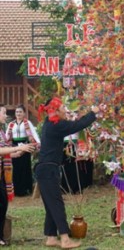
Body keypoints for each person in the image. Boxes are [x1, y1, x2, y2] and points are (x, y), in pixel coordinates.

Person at [35, 97, 99, 249]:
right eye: (63, 108)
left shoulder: (50, 122)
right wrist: (93, 113)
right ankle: (64, 238)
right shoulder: (57, 125)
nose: (66, 110)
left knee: (51, 203)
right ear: (56, 111)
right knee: (56, 203)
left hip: (45, 169)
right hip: (48, 170)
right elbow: (78, 125)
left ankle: (51, 237)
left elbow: (71, 123)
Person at [0, 104, 35, 246]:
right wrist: (18, 147)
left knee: (3, 203)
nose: (5, 115)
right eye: (3, 112)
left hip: (2, 173)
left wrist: (17, 153)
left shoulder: (2, 132)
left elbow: (4, 151)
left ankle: (1, 235)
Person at [5, 105, 40, 196]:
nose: (18, 113)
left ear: (24, 113)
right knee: (15, 168)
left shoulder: (27, 123)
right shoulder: (11, 124)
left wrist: (38, 143)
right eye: (17, 112)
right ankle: (16, 189)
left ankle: (25, 189)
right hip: (14, 147)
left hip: (25, 146)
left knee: (25, 167)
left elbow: (34, 134)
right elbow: (6, 137)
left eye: (20, 112)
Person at [61, 110, 94, 194]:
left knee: (76, 166)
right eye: (67, 112)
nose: (69, 114)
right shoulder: (62, 120)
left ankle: (77, 187)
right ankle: (66, 187)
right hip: (65, 144)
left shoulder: (77, 120)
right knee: (66, 165)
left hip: (76, 144)